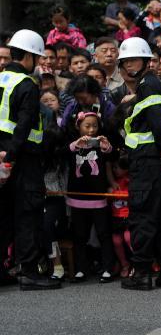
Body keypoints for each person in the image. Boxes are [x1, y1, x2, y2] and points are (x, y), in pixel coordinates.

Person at [117, 37, 161, 291]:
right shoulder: (153, 84)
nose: (128, 64)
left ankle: (141, 273)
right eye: (126, 61)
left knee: (143, 217)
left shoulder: (148, 85)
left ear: (145, 61)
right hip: (156, 161)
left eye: (133, 59)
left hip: (148, 161)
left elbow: (156, 123)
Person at [0, 29, 60, 290]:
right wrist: (11, 156)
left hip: (2, 157)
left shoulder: (0, 79)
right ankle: (29, 272)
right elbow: (24, 124)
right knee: (28, 214)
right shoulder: (26, 84)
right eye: (37, 57)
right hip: (22, 159)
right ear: (29, 57)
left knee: (2, 215)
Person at [65, 111, 116, 282]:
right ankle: (81, 269)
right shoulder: (73, 145)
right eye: (87, 126)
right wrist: (75, 145)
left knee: (104, 233)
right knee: (79, 235)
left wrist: (107, 146)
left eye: (95, 125)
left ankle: (107, 268)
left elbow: (112, 156)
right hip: (77, 197)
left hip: (98, 197)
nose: (91, 130)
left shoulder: (101, 145)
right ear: (78, 126)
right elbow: (62, 154)